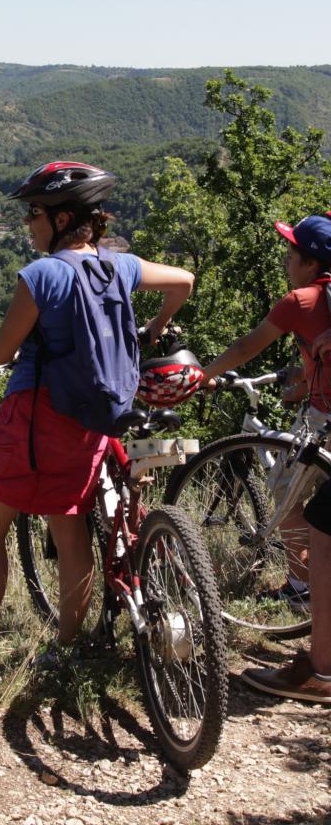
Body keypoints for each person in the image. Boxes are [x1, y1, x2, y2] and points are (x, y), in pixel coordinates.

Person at [0, 161, 194, 684]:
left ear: (63, 219)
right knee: (70, 534)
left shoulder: (42, 275)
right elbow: (184, 281)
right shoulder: (120, 267)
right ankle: (66, 648)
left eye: (34, 214)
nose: (29, 224)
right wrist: (156, 327)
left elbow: (4, 349)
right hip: (91, 424)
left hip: (34, 419)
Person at [200, 212, 331, 704]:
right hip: (317, 412)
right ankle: (302, 589)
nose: (284, 259)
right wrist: (299, 383)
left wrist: (204, 375)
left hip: (326, 425)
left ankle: (310, 625)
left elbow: (245, 346)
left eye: (290, 252)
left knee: (305, 508)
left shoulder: (301, 299)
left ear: (308, 261)